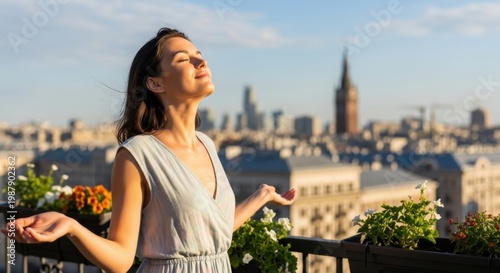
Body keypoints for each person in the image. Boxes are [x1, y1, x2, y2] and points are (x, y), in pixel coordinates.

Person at [2, 27, 296, 273]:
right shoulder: (136, 155)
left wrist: (262, 196)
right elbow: (121, 258)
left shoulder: (206, 143)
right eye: (184, 59)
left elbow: (209, 233)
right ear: (155, 83)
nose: (201, 63)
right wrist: (72, 227)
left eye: (200, 57)